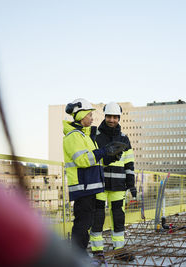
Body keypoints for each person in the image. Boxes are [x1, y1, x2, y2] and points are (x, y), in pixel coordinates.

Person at [62, 98, 125, 263]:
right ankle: (77, 257)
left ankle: (79, 255)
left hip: (89, 185)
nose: (92, 118)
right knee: (82, 224)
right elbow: (83, 160)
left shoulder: (84, 135)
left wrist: (109, 156)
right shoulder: (73, 136)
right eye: (89, 115)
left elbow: (94, 160)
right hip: (82, 186)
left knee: (85, 222)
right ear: (81, 116)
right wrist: (104, 151)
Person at [90, 102, 137, 262]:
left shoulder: (124, 138)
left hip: (118, 186)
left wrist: (131, 185)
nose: (111, 120)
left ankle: (119, 250)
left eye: (115, 117)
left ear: (119, 118)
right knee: (97, 217)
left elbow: (129, 164)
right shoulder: (95, 136)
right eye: (109, 116)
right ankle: (97, 251)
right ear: (105, 116)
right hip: (99, 184)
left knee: (118, 218)